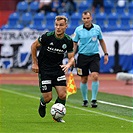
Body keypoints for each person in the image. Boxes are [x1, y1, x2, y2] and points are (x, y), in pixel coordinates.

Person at [31, 15, 74, 123]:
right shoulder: (47, 37)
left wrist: (68, 64)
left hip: (58, 69)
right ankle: (42, 103)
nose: (58, 27)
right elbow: (33, 46)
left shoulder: (68, 41)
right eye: (56, 25)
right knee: (48, 98)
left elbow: (71, 57)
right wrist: (35, 63)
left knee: (63, 94)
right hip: (44, 70)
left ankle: (57, 117)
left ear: (66, 26)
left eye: (61, 25)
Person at [72, 10, 109, 108]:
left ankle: (94, 99)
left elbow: (101, 41)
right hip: (82, 56)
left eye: (88, 18)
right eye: (84, 18)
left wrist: (106, 53)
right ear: (82, 19)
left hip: (94, 56)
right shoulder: (78, 30)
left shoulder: (97, 28)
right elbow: (74, 44)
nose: (86, 20)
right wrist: (71, 57)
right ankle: (85, 100)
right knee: (84, 79)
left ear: (91, 18)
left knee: (95, 76)